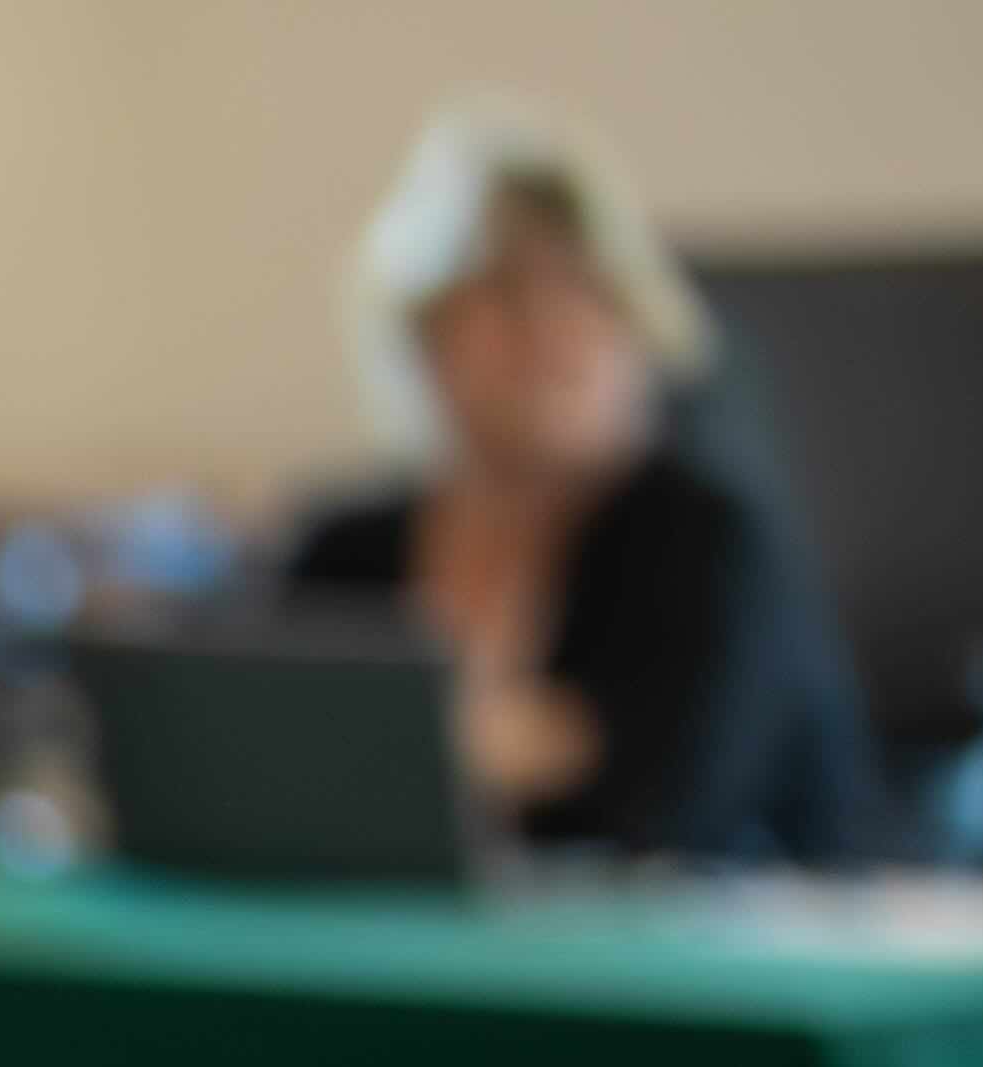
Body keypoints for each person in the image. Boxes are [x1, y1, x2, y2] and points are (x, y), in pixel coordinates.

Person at [275, 103, 874, 867]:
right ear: (424, 333)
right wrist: (530, 742)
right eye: (503, 294)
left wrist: (407, 752)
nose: (548, 331)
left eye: (583, 292)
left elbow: (669, 801)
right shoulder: (343, 554)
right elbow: (269, 778)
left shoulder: (708, 545)